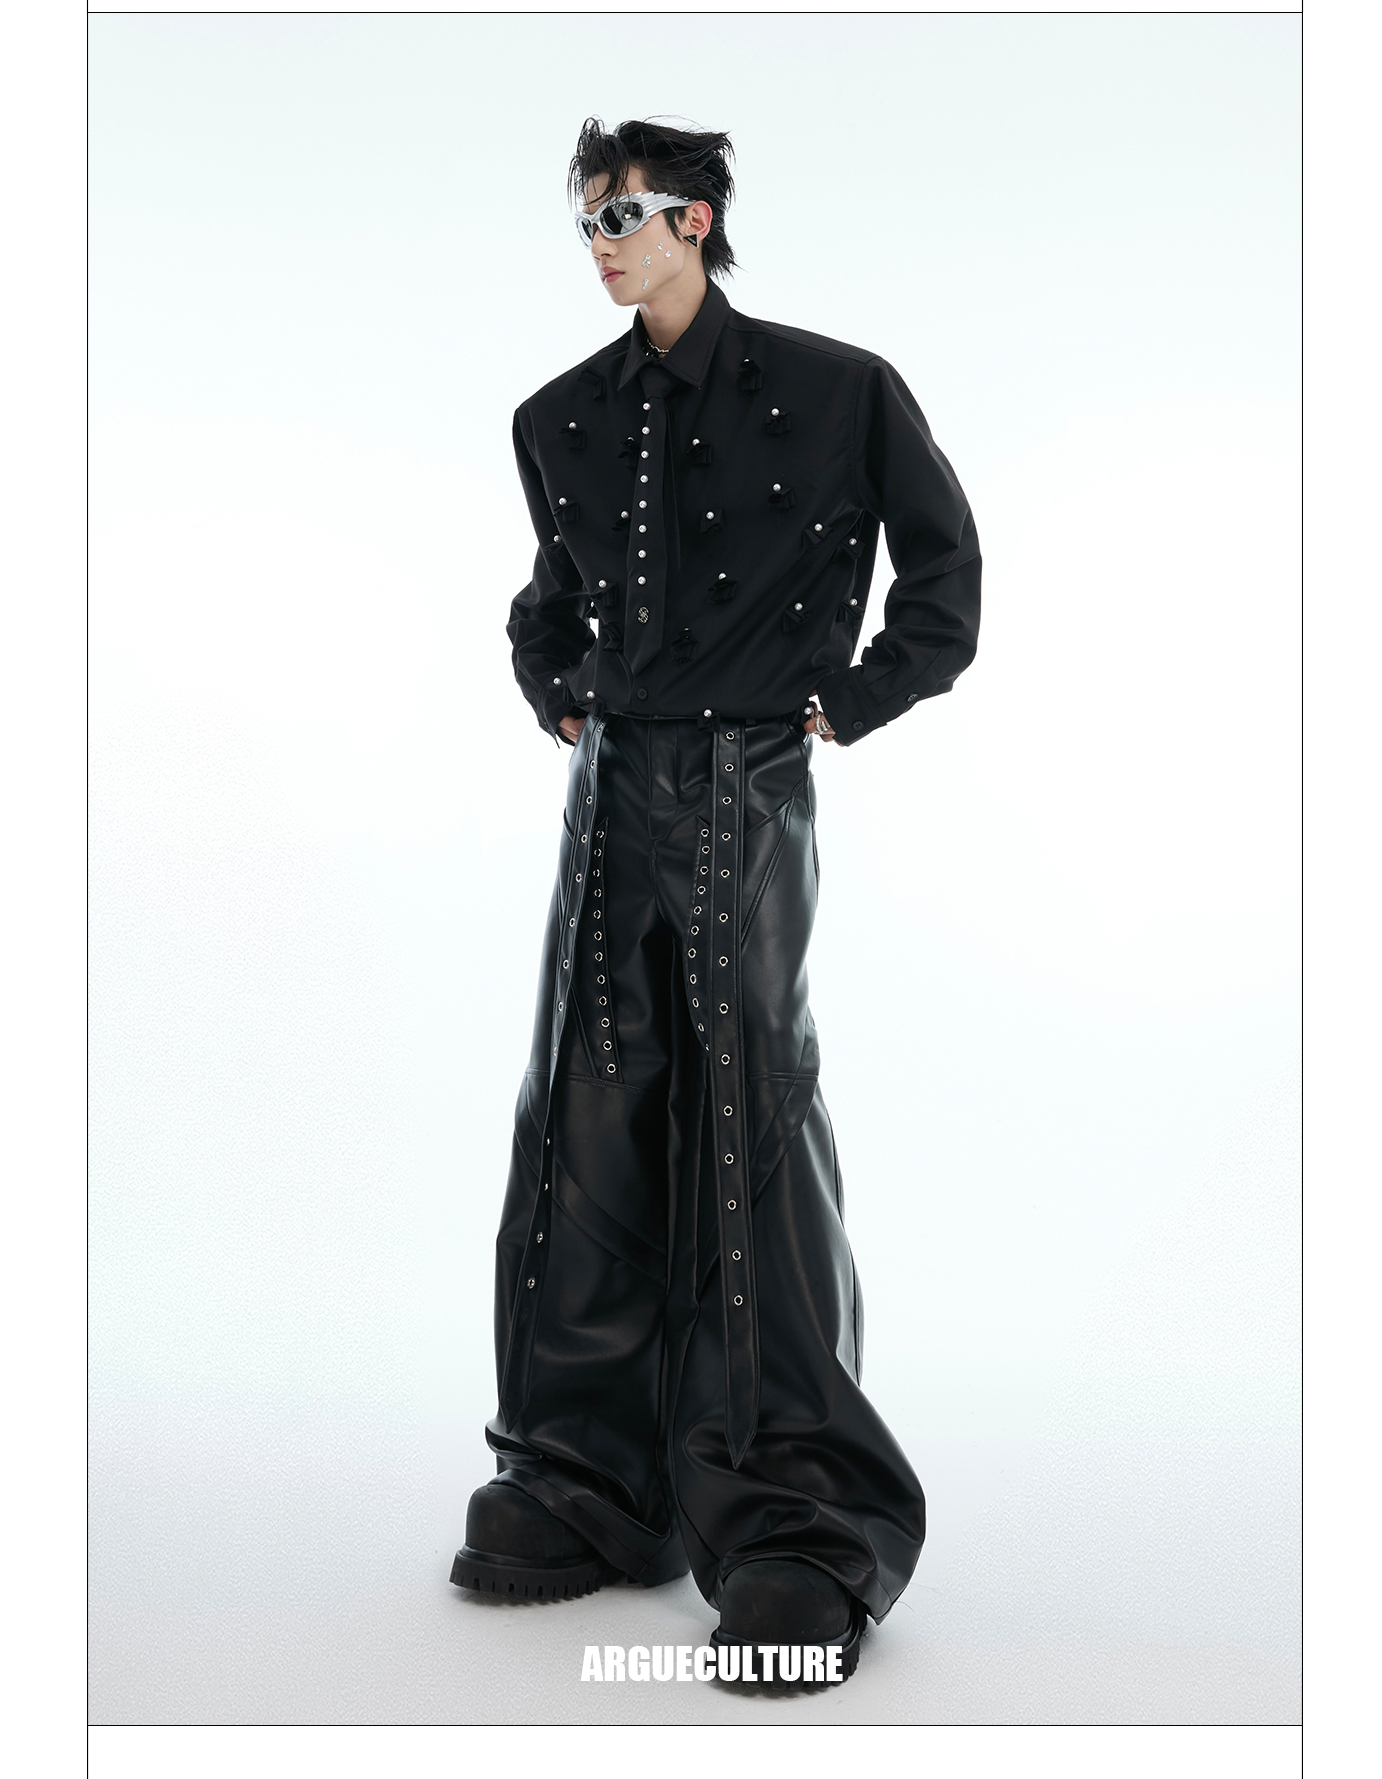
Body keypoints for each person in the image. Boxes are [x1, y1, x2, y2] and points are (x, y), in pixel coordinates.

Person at [450, 117, 981, 1685]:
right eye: (586, 222)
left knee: (751, 1105)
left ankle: (796, 1517)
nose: (601, 244)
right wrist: (554, 683)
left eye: (622, 214)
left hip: (750, 780)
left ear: (695, 217)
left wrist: (854, 698)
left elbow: (945, 582)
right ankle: (584, 1476)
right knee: (587, 1107)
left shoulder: (841, 389)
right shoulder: (559, 416)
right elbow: (548, 600)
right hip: (613, 785)